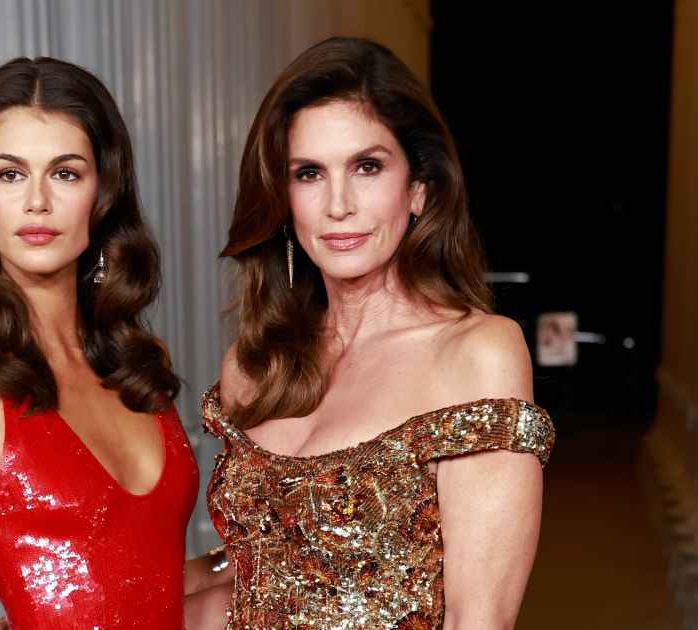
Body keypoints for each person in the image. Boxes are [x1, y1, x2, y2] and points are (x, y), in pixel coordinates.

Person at [183, 37, 555, 629]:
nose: (339, 205)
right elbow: (254, 569)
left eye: (367, 167)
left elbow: (479, 618)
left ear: (419, 188)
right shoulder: (256, 366)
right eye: (309, 173)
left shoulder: (475, 354)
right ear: (283, 198)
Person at [0, 57, 198, 630]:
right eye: (10, 174)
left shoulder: (136, 365)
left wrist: (229, 564)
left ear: (104, 191)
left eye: (66, 174)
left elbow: (139, 579)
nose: (37, 202)